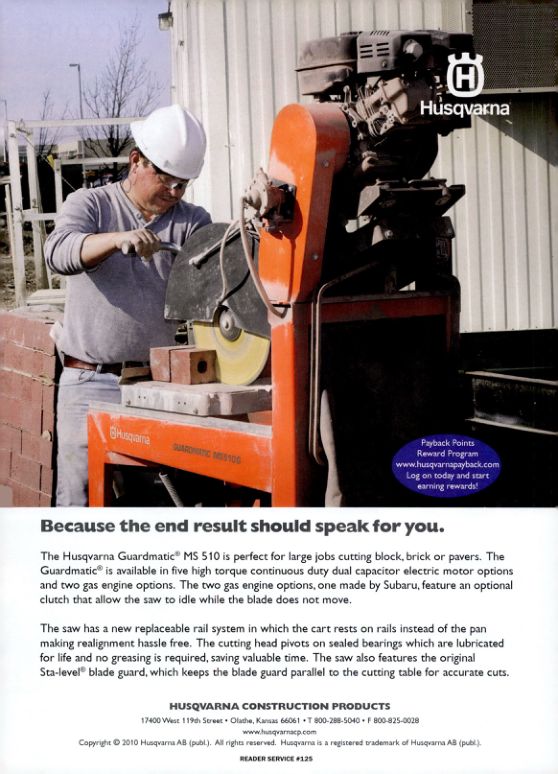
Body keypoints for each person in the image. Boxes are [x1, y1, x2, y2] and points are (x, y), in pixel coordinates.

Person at [45, 104, 211, 506]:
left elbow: (215, 278)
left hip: (155, 386)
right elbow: (58, 253)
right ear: (136, 161)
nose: (175, 193)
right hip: (89, 382)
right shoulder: (90, 204)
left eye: (183, 185)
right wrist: (116, 239)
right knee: (81, 501)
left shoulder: (191, 222)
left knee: (150, 502)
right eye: (167, 180)